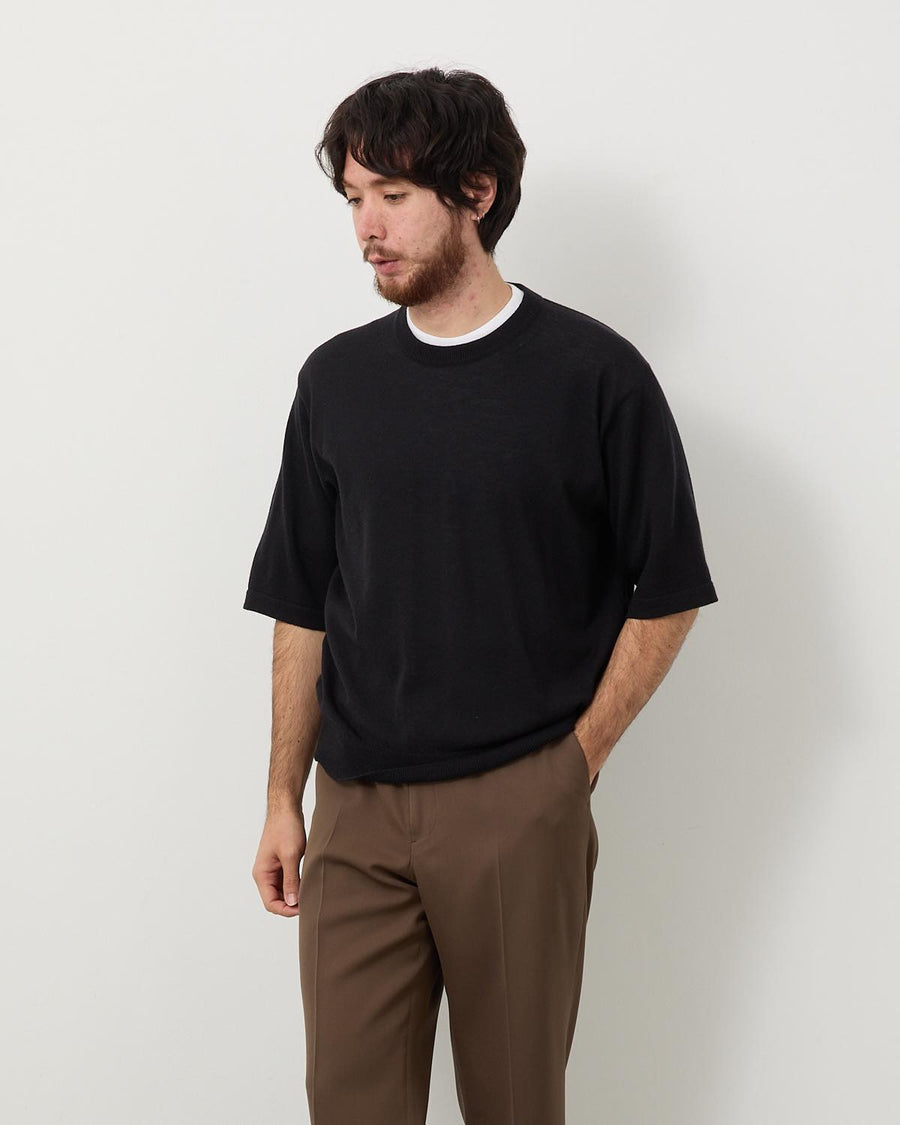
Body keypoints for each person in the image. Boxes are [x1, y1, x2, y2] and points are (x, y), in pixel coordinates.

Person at [243, 66, 718, 1125]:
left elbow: (668, 589)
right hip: (355, 809)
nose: (367, 228)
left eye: (393, 195)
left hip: (516, 799)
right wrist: (283, 796)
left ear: (477, 191)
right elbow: (303, 600)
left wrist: (570, 766)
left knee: (513, 1105)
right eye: (353, 198)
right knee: (348, 1107)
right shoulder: (336, 381)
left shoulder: (595, 375)